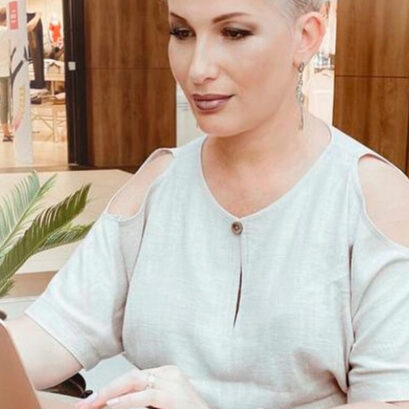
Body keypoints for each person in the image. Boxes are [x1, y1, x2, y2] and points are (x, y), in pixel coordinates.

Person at [5, 1, 409, 409]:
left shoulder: (374, 198)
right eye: (182, 33)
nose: (197, 69)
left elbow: (391, 400)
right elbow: (55, 331)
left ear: (305, 37)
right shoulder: (157, 182)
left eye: (234, 33)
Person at [0, 6, 12, 142]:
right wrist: (38, 15)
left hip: (2, 70)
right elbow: (28, 28)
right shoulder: (6, 31)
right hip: (4, 71)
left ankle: (6, 131)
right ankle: (6, 132)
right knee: (6, 102)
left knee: (3, 101)